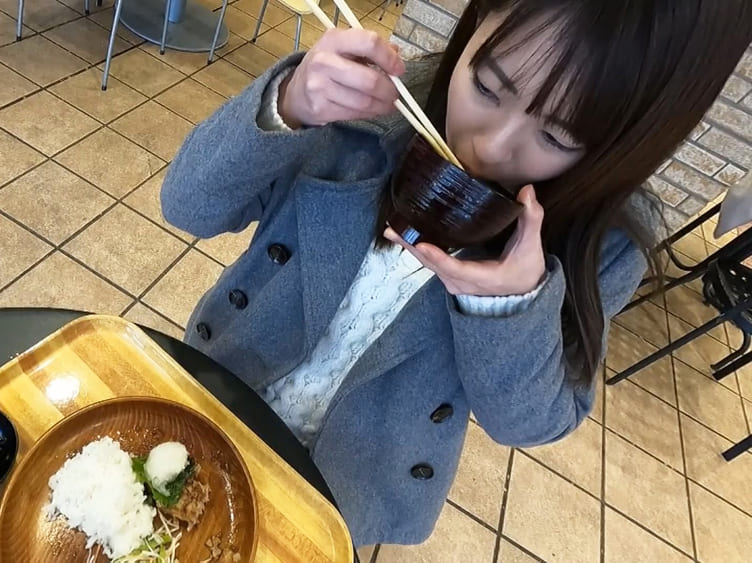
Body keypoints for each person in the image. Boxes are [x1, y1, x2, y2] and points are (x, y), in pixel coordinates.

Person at [161, 0, 752, 546]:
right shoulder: (373, 109)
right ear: (474, 26)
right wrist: (287, 104)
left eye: (555, 135)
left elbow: (529, 422)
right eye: (488, 86)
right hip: (219, 397)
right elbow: (188, 206)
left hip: (341, 488)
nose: (490, 147)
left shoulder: (602, 243)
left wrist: (509, 310)